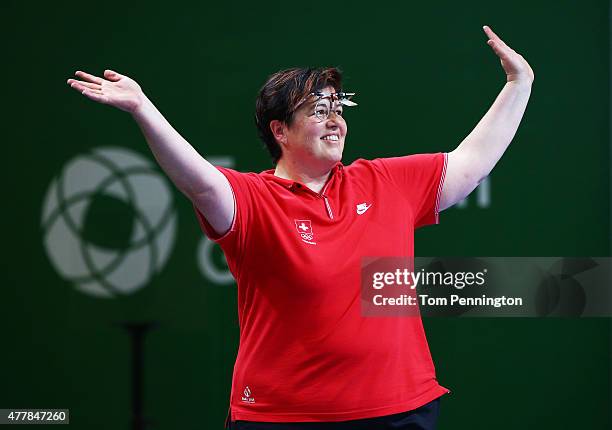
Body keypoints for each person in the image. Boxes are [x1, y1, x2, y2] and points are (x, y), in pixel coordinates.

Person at [67, 25, 534, 430]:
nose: (335, 120)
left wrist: (519, 83)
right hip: (280, 416)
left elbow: (471, 165)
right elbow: (200, 182)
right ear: (280, 131)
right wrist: (144, 109)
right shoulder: (251, 199)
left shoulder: (386, 181)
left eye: (338, 107)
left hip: (397, 412)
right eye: (317, 110)